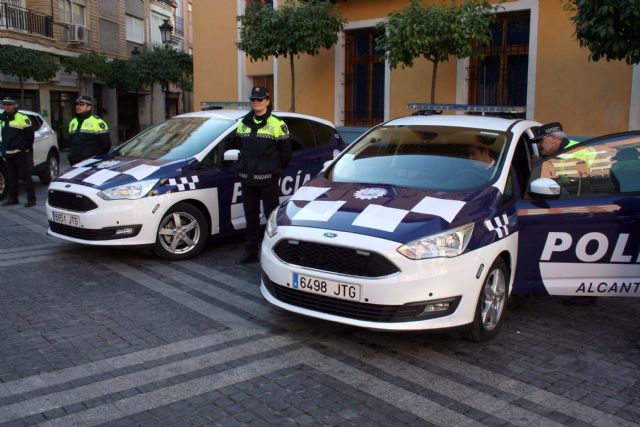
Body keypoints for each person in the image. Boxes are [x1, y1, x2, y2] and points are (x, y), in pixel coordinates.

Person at [234, 86, 291, 264]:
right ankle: (250, 253)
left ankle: (272, 255)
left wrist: (275, 170)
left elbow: (286, 154)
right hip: (247, 180)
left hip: (268, 181)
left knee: (270, 218)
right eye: (253, 100)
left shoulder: (277, 124)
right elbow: (239, 148)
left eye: (259, 99)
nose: (256, 103)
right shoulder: (243, 122)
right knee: (250, 219)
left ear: (267, 101)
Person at [0, 97, 35, 207]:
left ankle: (31, 199)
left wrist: (24, 148)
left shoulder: (22, 118)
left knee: (25, 177)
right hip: (8, 154)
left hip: (21, 154)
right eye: (5, 104)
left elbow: (30, 136)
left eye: (9, 104)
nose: (7, 106)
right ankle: (13, 198)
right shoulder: (2, 118)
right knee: (11, 178)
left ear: (14, 105)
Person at [68, 95, 111, 165]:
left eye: (81, 105)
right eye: (77, 104)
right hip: (75, 163)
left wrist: (95, 159)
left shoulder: (97, 122)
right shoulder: (73, 122)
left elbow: (106, 145)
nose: (78, 106)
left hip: (91, 163)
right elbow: (72, 142)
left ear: (88, 107)